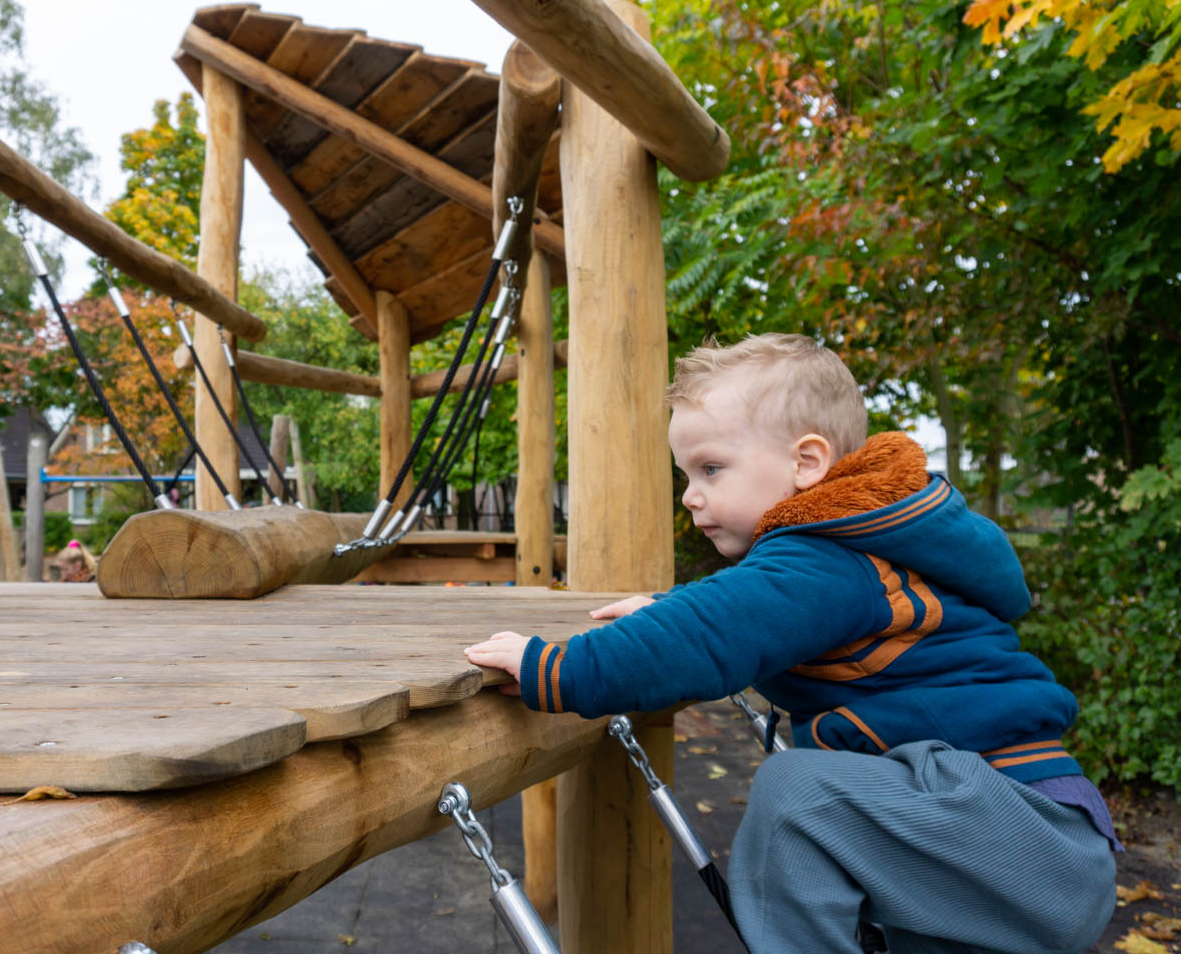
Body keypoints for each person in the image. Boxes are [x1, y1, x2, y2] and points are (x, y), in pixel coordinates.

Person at [465, 334, 1117, 954]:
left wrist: (558, 668)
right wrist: (666, 606)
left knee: (796, 797)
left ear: (806, 463)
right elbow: (743, 604)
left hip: (1026, 840)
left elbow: (713, 631)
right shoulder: (854, 549)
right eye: (686, 473)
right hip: (997, 836)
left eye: (711, 468)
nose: (690, 496)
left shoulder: (827, 557)